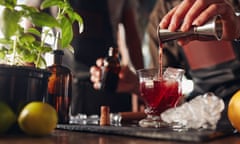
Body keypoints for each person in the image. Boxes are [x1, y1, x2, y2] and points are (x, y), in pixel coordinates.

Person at [90, 0, 240, 104]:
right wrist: (135, 84)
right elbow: (165, 96)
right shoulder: (162, 15)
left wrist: (238, 28)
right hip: (204, 115)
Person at [24, 0, 144, 115]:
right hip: (64, 84)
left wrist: (141, 90)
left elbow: (132, 37)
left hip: (110, 82)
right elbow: (31, 34)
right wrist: (27, 93)